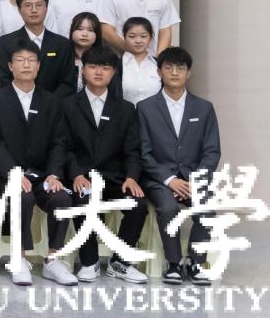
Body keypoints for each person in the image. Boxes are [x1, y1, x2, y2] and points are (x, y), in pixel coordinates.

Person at [0, 39, 77, 287]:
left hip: (42, 174)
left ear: (39, 66)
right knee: (22, 196)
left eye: (31, 60)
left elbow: (59, 142)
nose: (26, 64)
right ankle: (19, 258)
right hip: (5, 176)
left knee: (62, 198)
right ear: (10, 66)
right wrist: (13, 173)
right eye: (20, 60)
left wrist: (54, 174)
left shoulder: (52, 101)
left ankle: (52, 260)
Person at [61, 47, 149, 284]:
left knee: (138, 204)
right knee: (82, 200)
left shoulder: (126, 109)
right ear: (83, 71)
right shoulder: (68, 105)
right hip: (84, 177)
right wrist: (76, 174)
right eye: (92, 67)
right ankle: (89, 262)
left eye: (105, 68)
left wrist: (131, 177)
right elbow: (63, 147)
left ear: (114, 72)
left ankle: (120, 262)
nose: (98, 72)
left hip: (116, 178)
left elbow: (133, 150)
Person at [136, 47, 220, 287]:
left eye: (180, 68)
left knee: (207, 208)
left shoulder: (204, 108)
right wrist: (170, 180)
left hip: (194, 179)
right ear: (159, 72)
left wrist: (196, 181)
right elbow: (144, 153)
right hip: (159, 179)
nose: (174, 73)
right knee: (168, 208)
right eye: (169, 67)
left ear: (188, 73)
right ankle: (173, 263)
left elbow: (212, 151)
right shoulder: (145, 108)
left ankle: (195, 262)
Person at [0, 0, 76, 96]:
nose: (34, 10)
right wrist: (25, 100)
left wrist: (49, 102)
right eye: (28, 5)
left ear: (46, 9)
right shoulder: (5, 42)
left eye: (39, 5)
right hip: (16, 104)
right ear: (19, 10)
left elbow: (68, 82)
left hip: (54, 105)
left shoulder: (63, 44)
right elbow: (3, 79)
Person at [118, 17, 161, 105]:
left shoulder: (159, 64)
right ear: (124, 37)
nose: (138, 41)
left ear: (150, 38)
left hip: (154, 113)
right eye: (132, 36)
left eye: (143, 36)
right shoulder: (116, 65)